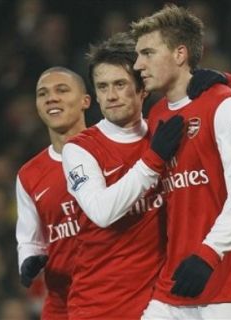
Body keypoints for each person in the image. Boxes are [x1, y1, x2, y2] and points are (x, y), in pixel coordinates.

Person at [131, 4, 231, 319]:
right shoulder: (155, 116)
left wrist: (208, 254)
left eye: (148, 53)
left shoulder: (222, 104)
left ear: (180, 54)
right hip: (176, 281)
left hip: (229, 277)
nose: (138, 64)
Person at [61, 32, 184, 319]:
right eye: (102, 87)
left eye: (120, 84)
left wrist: (223, 82)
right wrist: (152, 161)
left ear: (143, 89)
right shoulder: (79, 149)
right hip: (98, 307)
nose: (111, 95)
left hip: (161, 305)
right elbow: (102, 212)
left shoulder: (162, 134)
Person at [15, 66, 90, 320]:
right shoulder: (29, 174)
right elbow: (29, 238)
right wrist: (28, 261)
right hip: (60, 303)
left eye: (62, 90)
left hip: (111, 295)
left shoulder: (109, 150)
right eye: (43, 93)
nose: (51, 98)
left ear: (85, 101)